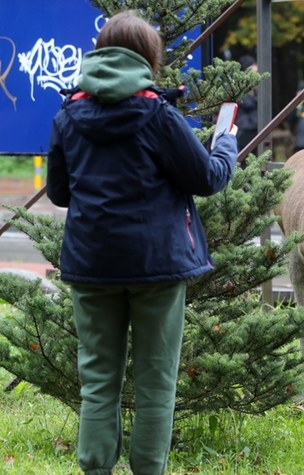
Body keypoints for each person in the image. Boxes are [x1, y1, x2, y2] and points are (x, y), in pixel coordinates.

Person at [46, 10, 237, 475]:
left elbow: (59, 193)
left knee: (98, 381)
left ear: (100, 54)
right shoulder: (159, 115)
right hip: (158, 269)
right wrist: (226, 141)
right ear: (149, 60)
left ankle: (96, 469)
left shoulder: (68, 114)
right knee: (155, 382)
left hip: (91, 268)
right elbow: (209, 178)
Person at [235, 54, 258, 153]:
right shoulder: (240, 86)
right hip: (245, 129)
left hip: (253, 128)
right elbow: (248, 103)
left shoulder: (253, 86)